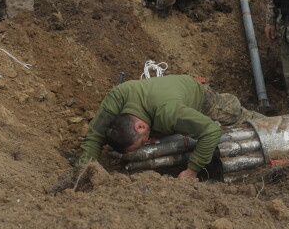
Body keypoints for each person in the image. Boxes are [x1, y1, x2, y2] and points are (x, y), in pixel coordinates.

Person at [78, 75, 263, 179]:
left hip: (200, 98)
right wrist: (83, 171)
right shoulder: (117, 97)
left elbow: (211, 132)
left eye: (143, 143)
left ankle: (282, 121)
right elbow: (96, 134)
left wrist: (192, 169)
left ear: (141, 126)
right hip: (165, 96)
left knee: (236, 115)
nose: (146, 145)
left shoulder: (169, 113)